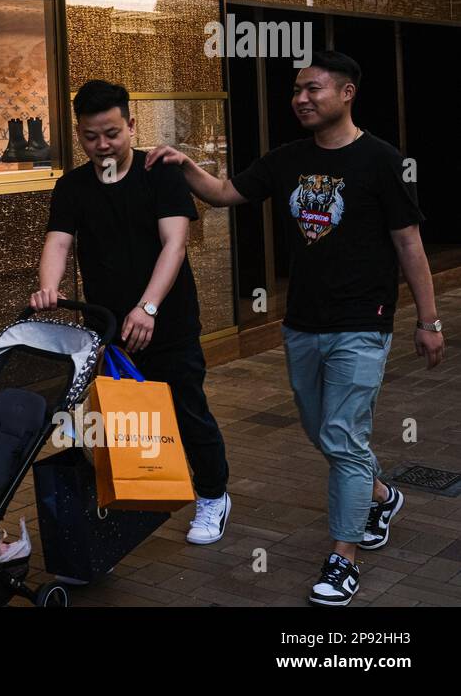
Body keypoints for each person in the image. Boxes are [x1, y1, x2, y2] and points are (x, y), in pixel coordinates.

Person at [147, 50, 444, 607]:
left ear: (348, 93)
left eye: (313, 89)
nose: (301, 99)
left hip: (364, 322)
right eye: (297, 91)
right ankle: (379, 496)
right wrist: (185, 165)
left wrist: (428, 321)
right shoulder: (286, 159)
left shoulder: (381, 160)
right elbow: (226, 194)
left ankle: (343, 557)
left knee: (342, 435)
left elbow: (410, 243)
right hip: (302, 323)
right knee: (320, 430)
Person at [31, 79, 231, 545]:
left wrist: (148, 307)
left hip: (169, 319)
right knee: (124, 417)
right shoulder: (73, 186)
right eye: (90, 136)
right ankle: (140, 494)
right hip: (106, 326)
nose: (102, 145)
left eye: (112, 134)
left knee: (186, 410)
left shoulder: (159, 172)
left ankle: (213, 495)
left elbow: (175, 243)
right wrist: (47, 287)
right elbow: (58, 241)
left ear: (131, 125)